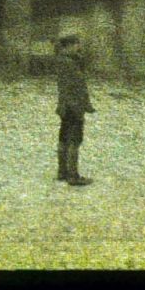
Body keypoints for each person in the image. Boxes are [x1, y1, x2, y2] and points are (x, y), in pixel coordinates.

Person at [54, 31, 96, 186]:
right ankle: (72, 175)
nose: (79, 47)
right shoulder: (69, 63)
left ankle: (62, 172)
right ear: (69, 45)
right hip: (74, 106)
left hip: (65, 106)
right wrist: (85, 105)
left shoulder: (64, 61)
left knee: (64, 139)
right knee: (74, 140)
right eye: (77, 44)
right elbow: (79, 86)